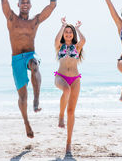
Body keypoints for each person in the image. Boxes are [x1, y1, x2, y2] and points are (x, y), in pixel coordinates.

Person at [1, 0, 57, 138]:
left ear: (31, 5)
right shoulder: (12, 18)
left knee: (34, 64)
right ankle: (26, 123)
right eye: (22, 2)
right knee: (22, 97)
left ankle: (37, 99)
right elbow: (3, 1)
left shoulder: (34, 21)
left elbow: (52, 6)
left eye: (27, 2)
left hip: (30, 55)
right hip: (16, 58)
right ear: (18, 5)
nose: (25, 4)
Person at [54, 17, 85, 153]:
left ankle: (68, 143)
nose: (68, 34)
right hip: (60, 77)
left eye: (70, 32)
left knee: (71, 112)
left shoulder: (77, 47)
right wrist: (62, 26)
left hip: (75, 79)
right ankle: (61, 116)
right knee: (66, 90)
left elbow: (84, 40)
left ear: (73, 34)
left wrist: (77, 28)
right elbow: (56, 40)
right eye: (66, 32)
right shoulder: (59, 46)